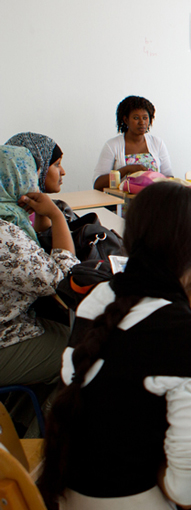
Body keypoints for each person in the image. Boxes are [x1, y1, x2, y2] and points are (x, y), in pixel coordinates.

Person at [38, 181, 191, 510]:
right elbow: (185, 492)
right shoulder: (186, 334)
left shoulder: (98, 299)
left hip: (67, 493)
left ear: (127, 242)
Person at [0, 135, 76, 407]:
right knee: (83, 353)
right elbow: (63, 279)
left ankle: (26, 418)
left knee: (68, 331)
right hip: (3, 338)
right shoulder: (4, 235)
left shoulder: (9, 222)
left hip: (10, 326)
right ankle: (46, 440)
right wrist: (56, 215)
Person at [93, 95, 173, 190]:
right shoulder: (112, 146)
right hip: (123, 203)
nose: (142, 122)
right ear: (126, 120)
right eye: (136, 118)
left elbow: (169, 177)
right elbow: (98, 184)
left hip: (154, 201)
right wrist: (126, 169)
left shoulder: (157, 143)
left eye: (145, 118)